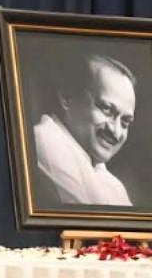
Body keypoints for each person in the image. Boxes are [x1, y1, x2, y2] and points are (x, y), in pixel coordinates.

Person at [33, 52, 135, 206]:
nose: (116, 131)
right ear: (67, 97)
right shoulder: (46, 139)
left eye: (125, 122)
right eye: (107, 109)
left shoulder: (114, 185)